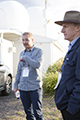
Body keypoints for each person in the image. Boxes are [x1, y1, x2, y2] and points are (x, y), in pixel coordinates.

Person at [54, 10, 80, 120]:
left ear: (78, 27)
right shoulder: (73, 46)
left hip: (74, 110)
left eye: (65, 26)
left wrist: (72, 108)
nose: (61, 30)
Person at [14, 32, 44, 120]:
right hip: (23, 88)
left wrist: (25, 58)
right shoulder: (21, 53)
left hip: (35, 87)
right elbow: (19, 70)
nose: (24, 42)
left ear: (32, 40)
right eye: (23, 40)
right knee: (28, 113)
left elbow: (37, 65)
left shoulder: (39, 51)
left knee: (37, 113)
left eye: (27, 40)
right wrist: (16, 85)